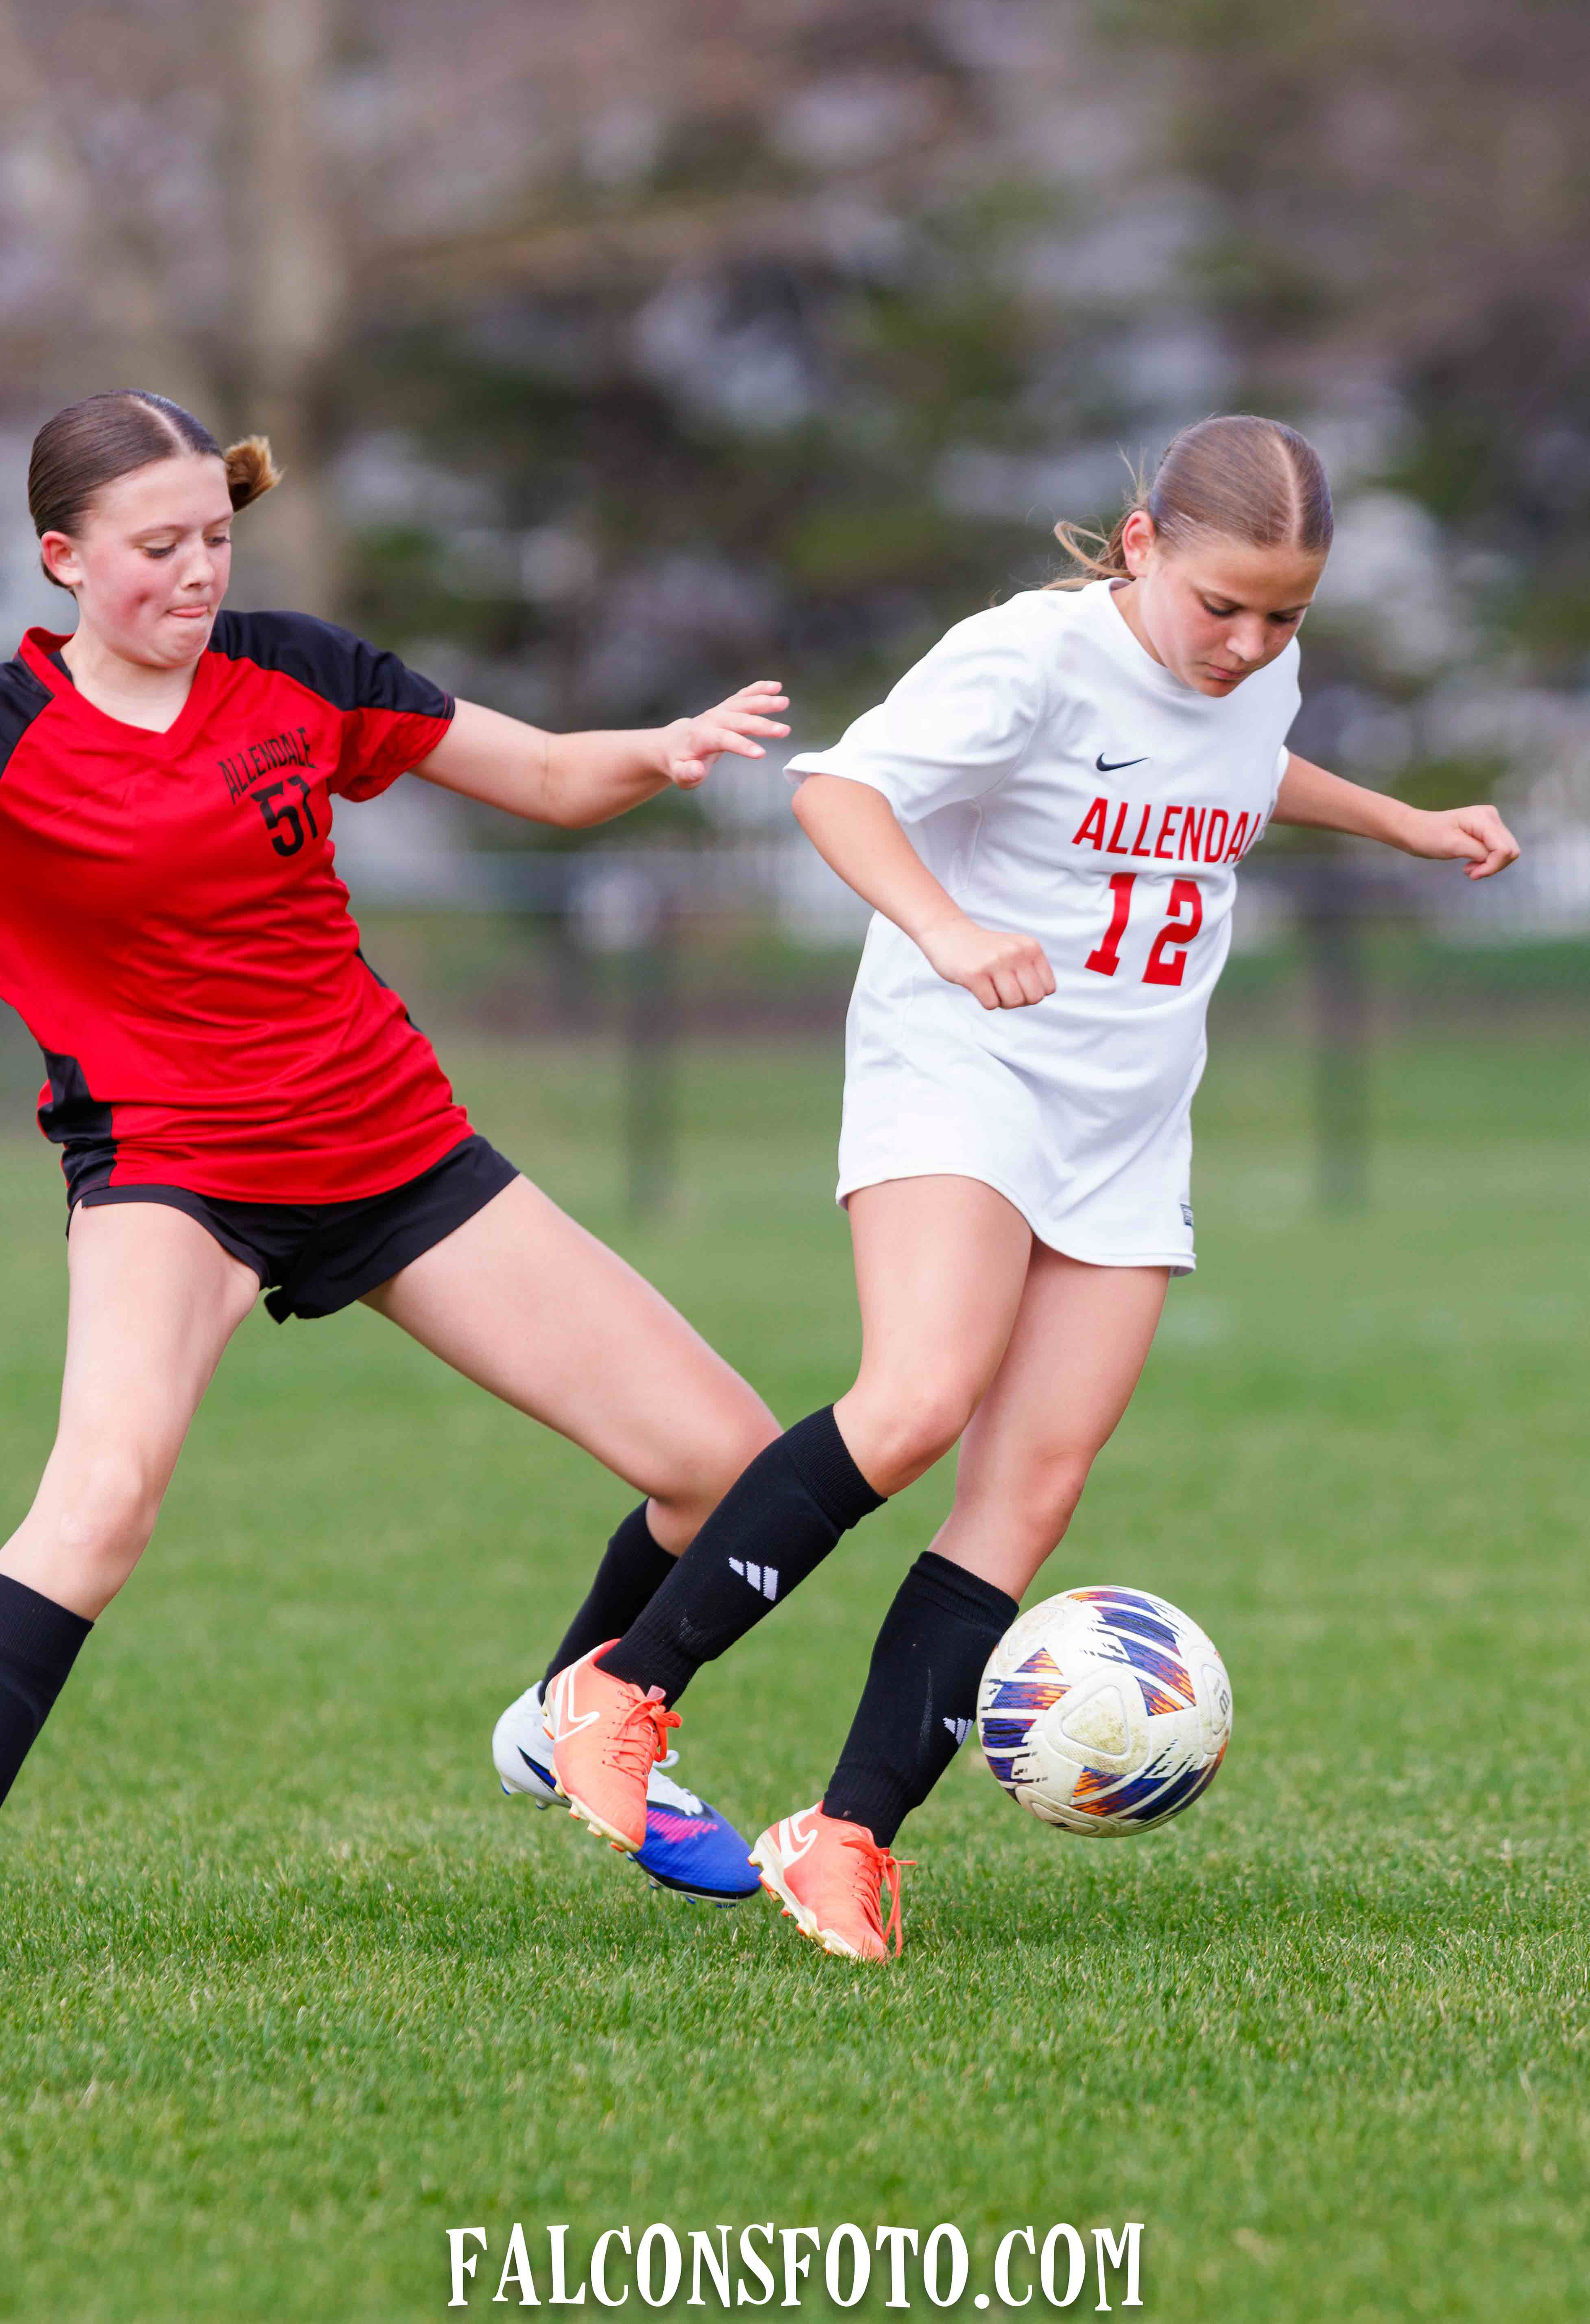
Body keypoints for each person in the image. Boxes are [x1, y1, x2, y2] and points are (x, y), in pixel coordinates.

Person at [540, 413, 1520, 1960]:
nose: (1249, 644)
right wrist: (946, 930)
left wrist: (1402, 821)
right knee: (919, 1397)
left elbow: (1239, 769)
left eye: (1286, 618)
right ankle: (619, 1688)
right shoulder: (1029, 658)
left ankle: (845, 1834)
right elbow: (836, 793)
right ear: (1142, 545)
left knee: (1034, 1486)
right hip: (967, 1061)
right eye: (1222, 606)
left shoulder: (1255, 672)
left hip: (1130, 1115)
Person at [0, 388, 791, 1908]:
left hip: (393, 1146)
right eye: (158, 547)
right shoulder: (13, 735)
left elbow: (545, 774)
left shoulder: (296, 669)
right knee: (94, 1511)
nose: (198, 570)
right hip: (173, 1169)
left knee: (730, 1466)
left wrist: (664, 746)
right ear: (63, 559)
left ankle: (575, 1716)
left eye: (216, 536)